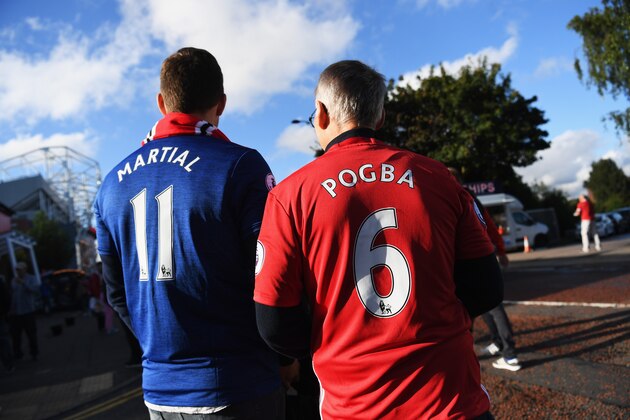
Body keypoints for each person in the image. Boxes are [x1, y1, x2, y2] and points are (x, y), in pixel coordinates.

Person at [254, 60, 503, 419]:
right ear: (381, 116)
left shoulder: (290, 195)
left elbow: (273, 323)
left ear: (321, 115)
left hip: (354, 404)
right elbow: (487, 289)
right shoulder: (439, 178)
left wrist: (331, 341)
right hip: (449, 399)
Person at [94, 47, 286, 419]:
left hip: (160, 392)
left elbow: (116, 292)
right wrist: (284, 353)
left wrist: (160, 346)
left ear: (162, 102)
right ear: (222, 102)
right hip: (239, 384)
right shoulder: (239, 165)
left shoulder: (111, 185)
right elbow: (271, 274)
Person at [447, 168, 521, 372]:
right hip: (477, 260)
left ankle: (510, 354)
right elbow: (488, 223)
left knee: (489, 308)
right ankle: (498, 342)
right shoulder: (469, 197)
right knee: (483, 306)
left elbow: (487, 225)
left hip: (472, 261)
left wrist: (501, 250)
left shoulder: (457, 197)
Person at [8, 262, 40, 361]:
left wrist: (23, 283)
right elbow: (13, 296)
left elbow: (35, 290)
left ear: (25, 269)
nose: (18, 272)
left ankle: (34, 353)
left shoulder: (31, 278)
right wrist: (11, 309)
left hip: (28, 311)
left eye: (20, 269)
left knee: (31, 334)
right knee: (15, 335)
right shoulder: (14, 280)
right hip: (16, 313)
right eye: (17, 270)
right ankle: (18, 354)